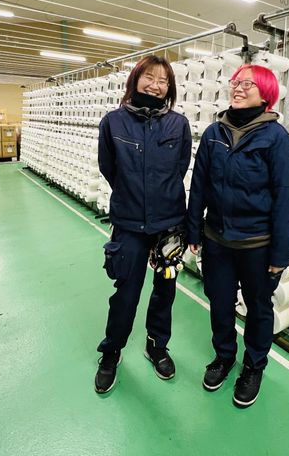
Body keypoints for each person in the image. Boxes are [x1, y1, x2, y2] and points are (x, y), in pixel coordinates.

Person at [186, 63, 289, 408]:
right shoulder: (213, 133)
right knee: (220, 304)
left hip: (257, 246)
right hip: (217, 240)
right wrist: (194, 229)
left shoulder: (277, 139)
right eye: (235, 82)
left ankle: (253, 366)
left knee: (259, 309)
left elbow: (284, 199)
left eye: (248, 84)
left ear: (266, 94)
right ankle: (224, 357)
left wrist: (280, 254)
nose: (238, 87)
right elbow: (199, 185)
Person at [94, 55, 192, 394]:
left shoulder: (178, 125)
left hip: (169, 224)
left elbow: (179, 168)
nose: (155, 85)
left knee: (165, 289)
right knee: (126, 292)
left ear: (170, 88)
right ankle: (112, 351)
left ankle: (157, 345)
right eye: (149, 77)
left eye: (163, 81)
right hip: (130, 223)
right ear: (135, 79)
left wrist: (160, 199)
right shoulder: (113, 122)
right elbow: (109, 168)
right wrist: (133, 195)